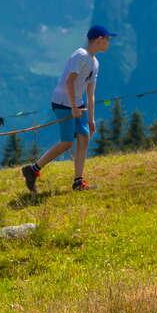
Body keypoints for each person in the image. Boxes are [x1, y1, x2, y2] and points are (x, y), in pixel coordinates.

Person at [22, 25, 115, 193]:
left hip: (76, 103)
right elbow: (69, 82)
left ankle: (78, 182)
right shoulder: (80, 55)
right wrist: (73, 107)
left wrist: (91, 118)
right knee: (67, 142)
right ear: (99, 39)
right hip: (63, 102)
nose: (109, 43)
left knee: (84, 137)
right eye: (108, 39)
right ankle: (33, 170)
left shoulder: (95, 62)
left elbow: (90, 93)